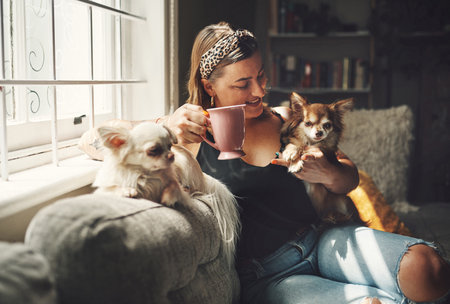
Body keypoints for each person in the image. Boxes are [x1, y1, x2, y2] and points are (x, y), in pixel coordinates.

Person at [82, 22, 450, 304]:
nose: (259, 90)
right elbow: (89, 140)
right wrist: (164, 124)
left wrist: (330, 172)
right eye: (243, 84)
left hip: (324, 239)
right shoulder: (188, 137)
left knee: (429, 268)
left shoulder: (285, 116)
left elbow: (350, 178)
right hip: (270, 276)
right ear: (210, 86)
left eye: (261, 77)